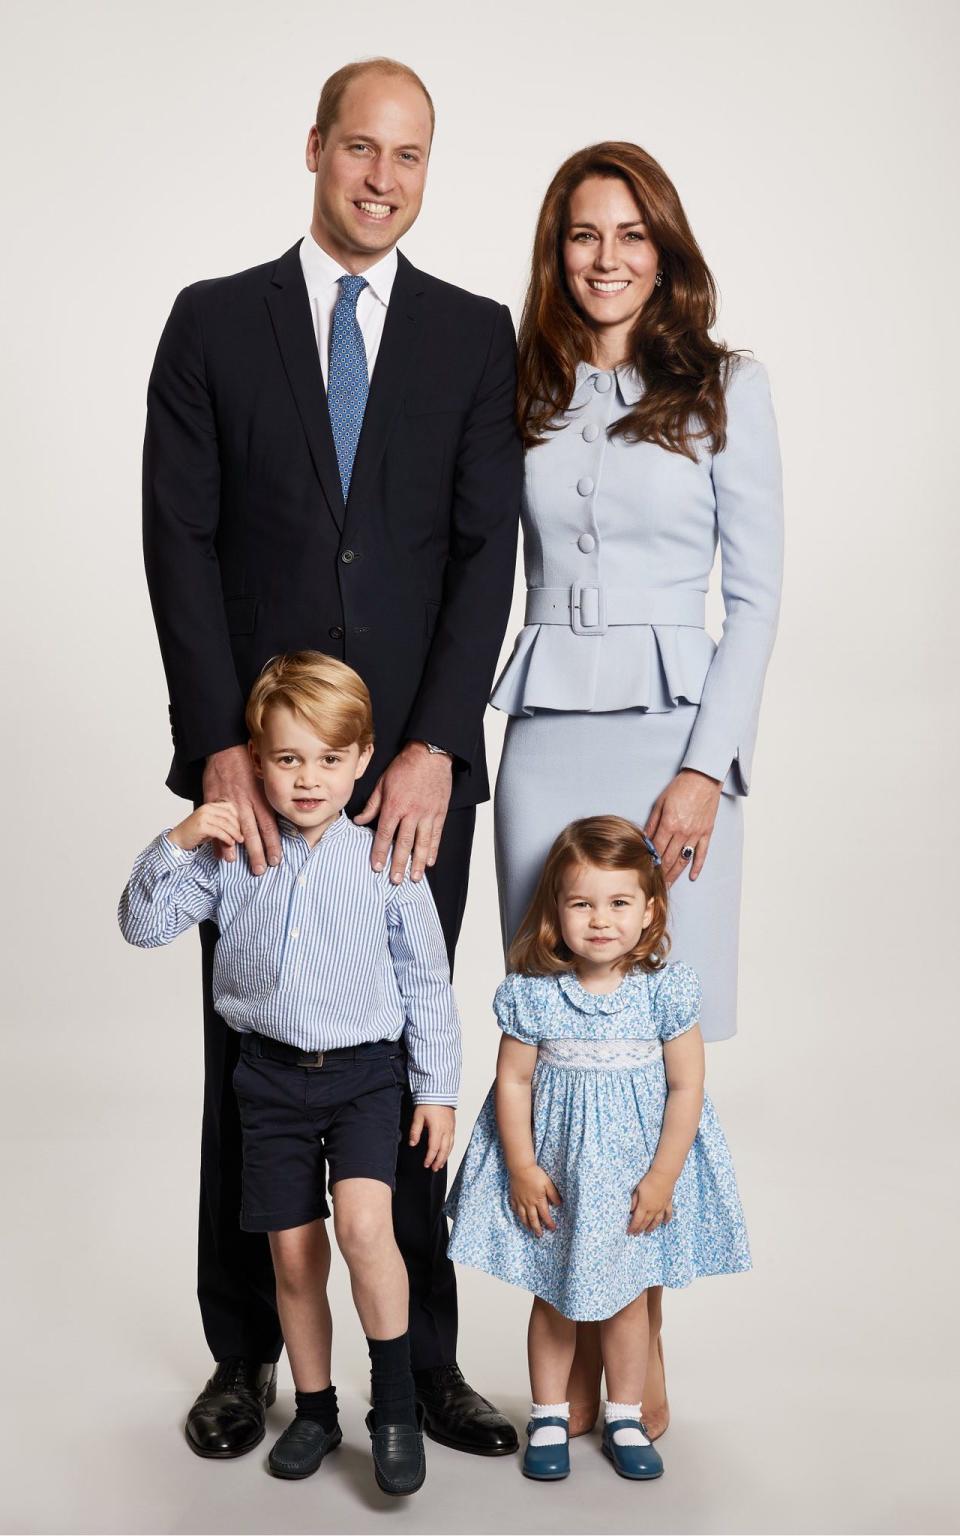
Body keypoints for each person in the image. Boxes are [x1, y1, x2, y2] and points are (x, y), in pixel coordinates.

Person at [142, 58, 521, 1457]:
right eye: (361, 148)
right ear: (316, 150)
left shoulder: (476, 339)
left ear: (428, 170)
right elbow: (176, 542)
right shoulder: (214, 324)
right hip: (264, 774)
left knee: (408, 1060)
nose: (382, 178)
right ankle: (246, 1352)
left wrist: (434, 744)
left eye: (409, 156)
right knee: (249, 1062)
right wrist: (216, 755)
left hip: (409, 785)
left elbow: (491, 554)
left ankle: (415, 1368)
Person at [490, 141, 782, 1436]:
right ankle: (572, 1366)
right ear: (557, 255)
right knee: (561, 1058)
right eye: (580, 235)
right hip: (547, 734)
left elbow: (760, 596)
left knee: (654, 1049)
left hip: (673, 741)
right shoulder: (522, 388)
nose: (605, 258)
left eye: (630, 234)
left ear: (664, 249)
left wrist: (706, 769)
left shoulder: (728, 387)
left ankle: (638, 1349)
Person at [120, 652, 461, 1495]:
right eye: (287, 759)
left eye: (329, 760)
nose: (309, 780)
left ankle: (394, 1409)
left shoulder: (386, 860)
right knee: (295, 1256)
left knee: (364, 1230)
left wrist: (438, 1089)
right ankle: (315, 1409)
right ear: (258, 759)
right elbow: (140, 924)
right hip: (267, 1080)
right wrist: (180, 837)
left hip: (366, 1079)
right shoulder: (235, 855)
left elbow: (427, 980)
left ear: (363, 757)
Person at [446, 816, 750, 1481]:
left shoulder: (664, 992)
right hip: (560, 1180)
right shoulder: (534, 995)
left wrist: (664, 1175)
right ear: (556, 911)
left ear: (650, 910)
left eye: (619, 903)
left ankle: (624, 1413)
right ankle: (549, 1413)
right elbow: (513, 1081)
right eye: (582, 903)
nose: (601, 920)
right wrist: (522, 1168)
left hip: (636, 1182)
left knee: (629, 1299)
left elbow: (687, 1085)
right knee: (552, 1297)